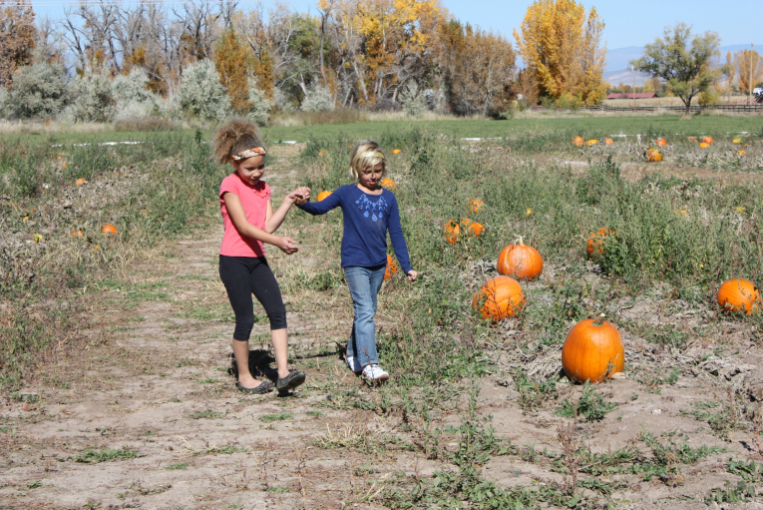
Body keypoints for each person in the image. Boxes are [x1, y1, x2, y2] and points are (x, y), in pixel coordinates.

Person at [296, 141, 417, 384]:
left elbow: (397, 234)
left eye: (378, 171)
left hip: (379, 264)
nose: (373, 176)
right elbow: (319, 208)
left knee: (366, 311)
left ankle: (352, 354)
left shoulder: (389, 199)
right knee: (365, 312)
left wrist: (406, 266)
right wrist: (302, 203)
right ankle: (370, 364)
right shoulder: (346, 193)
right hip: (355, 263)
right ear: (356, 169)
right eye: (367, 171)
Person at [213, 119, 307, 394]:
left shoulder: (264, 188)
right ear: (234, 163)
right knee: (246, 320)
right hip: (234, 261)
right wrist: (277, 242)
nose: (255, 173)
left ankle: (284, 374)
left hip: (257, 260)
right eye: (249, 168)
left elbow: (266, 227)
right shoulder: (230, 185)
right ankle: (244, 376)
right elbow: (244, 227)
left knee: (277, 312)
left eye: (260, 167)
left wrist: (288, 201)